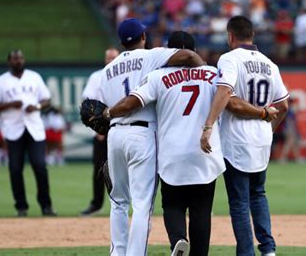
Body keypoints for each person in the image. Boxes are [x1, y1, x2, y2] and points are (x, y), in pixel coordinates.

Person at [102, 31, 278, 256]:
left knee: (173, 206)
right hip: (205, 153)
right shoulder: (214, 74)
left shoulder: (158, 76)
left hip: (171, 153)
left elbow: (132, 102)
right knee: (201, 211)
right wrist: (262, 112)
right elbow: (232, 102)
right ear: (194, 51)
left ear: (171, 52)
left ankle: (178, 238)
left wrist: (108, 113)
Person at [99, 18, 206, 256]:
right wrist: (204, 70)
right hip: (142, 133)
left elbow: (100, 110)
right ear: (144, 37)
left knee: (118, 202)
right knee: (142, 204)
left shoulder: (106, 70)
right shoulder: (150, 56)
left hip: (114, 133)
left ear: (120, 42)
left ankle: (117, 253)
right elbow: (188, 56)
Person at [200, 16, 289, 256]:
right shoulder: (270, 63)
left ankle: (246, 253)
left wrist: (208, 125)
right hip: (261, 139)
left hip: (237, 139)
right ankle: (268, 250)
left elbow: (226, 94)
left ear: (230, 36)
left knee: (239, 203)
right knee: (258, 195)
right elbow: (284, 106)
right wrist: (269, 128)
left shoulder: (229, 58)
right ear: (252, 35)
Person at [0, 50, 56, 217]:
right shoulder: (1, 81)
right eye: (15, 58)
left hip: (34, 128)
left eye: (21, 58)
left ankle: (46, 206)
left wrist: (37, 106)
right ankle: (21, 207)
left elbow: (47, 100)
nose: (18, 61)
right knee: (15, 168)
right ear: (9, 62)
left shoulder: (34, 77)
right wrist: (9, 104)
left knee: (40, 166)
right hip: (12, 129)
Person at [80, 47, 119, 216]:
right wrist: (97, 127)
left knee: (122, 168)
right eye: (108, 57)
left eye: (113, 58)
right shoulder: (97, 77)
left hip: (121, 125)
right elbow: (88, 102)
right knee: (99, 167)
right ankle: (96, 203)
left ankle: (120, 203)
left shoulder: (123, 74)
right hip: (102, 128)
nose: (110, 60)